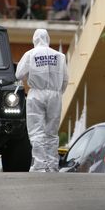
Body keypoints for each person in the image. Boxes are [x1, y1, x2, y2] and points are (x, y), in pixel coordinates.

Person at [15, 29, 69, 172]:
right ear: (48, 39)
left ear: (34, 39)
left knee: (36, 130)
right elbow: (65, 79)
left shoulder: (30, 54)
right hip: (55, 95)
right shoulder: (60, 56)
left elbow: (19, 74)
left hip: (37, 94)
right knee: (52, 131)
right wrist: (58, 93)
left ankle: (39, 164)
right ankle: (52, 164)